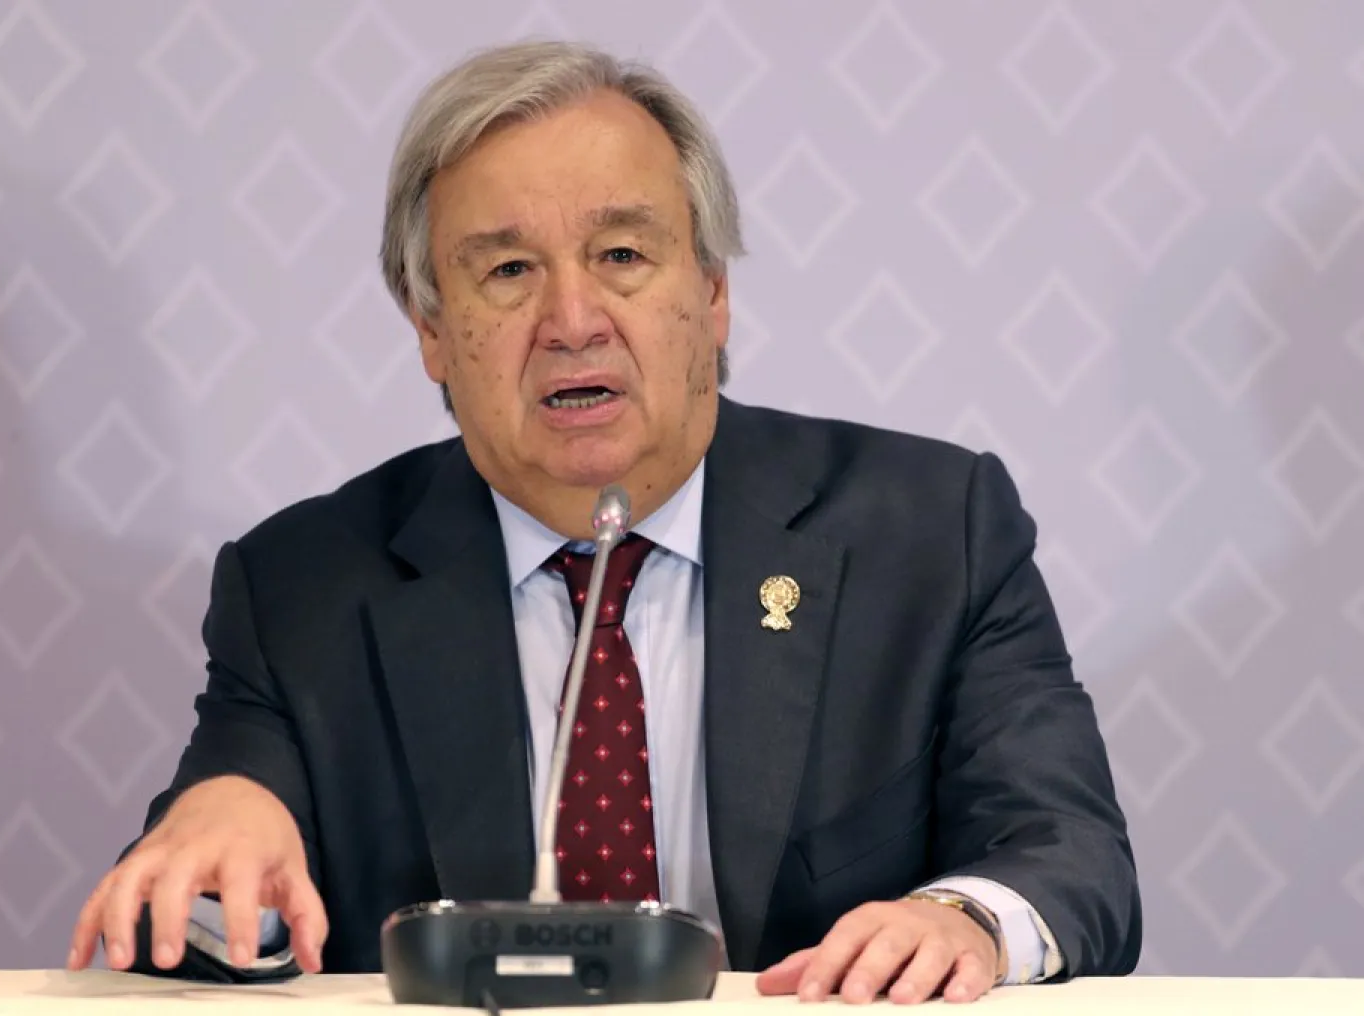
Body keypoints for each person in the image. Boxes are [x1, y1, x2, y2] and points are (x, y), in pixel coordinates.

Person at [66, 39, 1140, 1004]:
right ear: (431, 328)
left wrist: (961, 921)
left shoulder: (932, 532)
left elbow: (1069, 852)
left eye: (623, 255)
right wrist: (220, 846)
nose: (572, 321)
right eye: (507, 271)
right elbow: (207, 899)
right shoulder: (305, 585)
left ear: (711, 294)